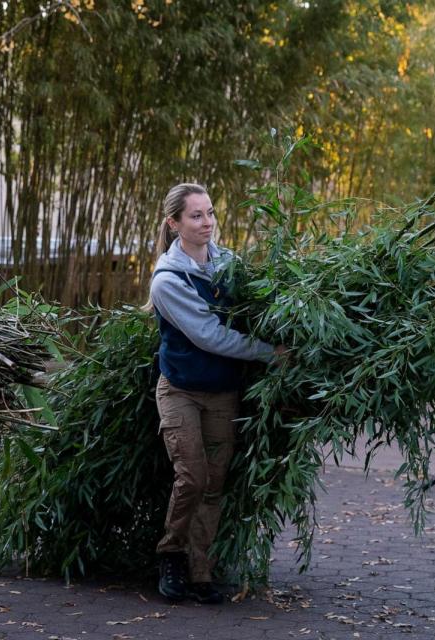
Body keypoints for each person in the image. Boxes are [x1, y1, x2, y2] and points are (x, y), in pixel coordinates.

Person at [146, 182, 287, 605]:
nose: (207, 223)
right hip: (181, 390)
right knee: (193, 476)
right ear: (174, 224)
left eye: (210, 213)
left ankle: (200, 568)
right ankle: (171, 556)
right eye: (196, 216)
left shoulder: (229, 263)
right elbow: (210, 336)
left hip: (223, 390)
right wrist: (270, 354)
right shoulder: (167, 280)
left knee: (216, 481)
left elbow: (258, 303)